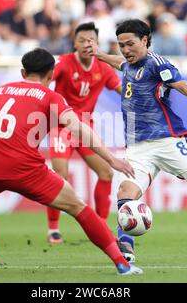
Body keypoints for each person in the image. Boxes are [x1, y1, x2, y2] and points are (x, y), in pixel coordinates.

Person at [0, 48, 142, 276]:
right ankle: (122, 264)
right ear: (51, 75)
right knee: (79, 207)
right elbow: (78, 128)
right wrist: (111, 159)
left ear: (23, 72)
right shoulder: (51, 97)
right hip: (25, 168)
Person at [86, 19, 187, 262]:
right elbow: (119, 63)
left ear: (145, 40)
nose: (126, 50)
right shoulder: (128, 64)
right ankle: (126, 247)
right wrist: (99, 54)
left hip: (168, 139)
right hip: (137, 146)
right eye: (121, 45)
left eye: (130, 44)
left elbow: (182, 86)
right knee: (126, 191)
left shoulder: (157, 64)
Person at [46, 22, 122, 244]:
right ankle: (53, 229)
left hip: (85, 129)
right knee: (59, 177)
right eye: (82, 40)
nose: (87, 44)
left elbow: (121, 90)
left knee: (106, 173)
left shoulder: (104, 67)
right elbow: (47, 78)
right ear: (75, 44)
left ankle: (101, 224)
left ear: (97, 43)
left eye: (91, 40)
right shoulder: (65, 62)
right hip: (61, 126)